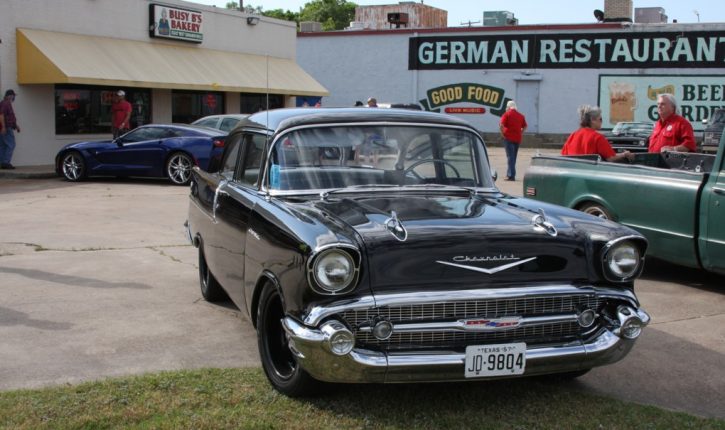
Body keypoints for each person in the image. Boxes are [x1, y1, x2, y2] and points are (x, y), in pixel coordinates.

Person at [561, 105, 635, 162]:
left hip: (574, 172)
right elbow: (611, 158)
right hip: (590, 173)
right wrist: (624, 154)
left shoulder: (572, 135)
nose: (601, 122)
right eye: (600, 119)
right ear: (592, 120)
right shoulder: (597, 137)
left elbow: (563, 157)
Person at [499, 100, 527, 181]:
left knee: (510, 157)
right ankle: (510, 173)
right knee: (513, 157)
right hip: (517, 139)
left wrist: (502, 134)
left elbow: (501, 125)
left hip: (508, 138)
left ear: (508, 107)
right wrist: (521, 132)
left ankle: (511, 175)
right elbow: (525, 126)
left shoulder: (506, 114)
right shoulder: (521, 116)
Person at [0, 89, 21, 170]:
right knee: (11, 144)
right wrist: (3, 127)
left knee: (3, 145)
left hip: (5, 127)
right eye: (13, 96)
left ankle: (2, 163)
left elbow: (9, 117)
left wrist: (16, 126)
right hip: (6, 128)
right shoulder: (6, 104)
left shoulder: (4, 103)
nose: (14, 98)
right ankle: (6, 162)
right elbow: (1, 115)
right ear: (10, 96)